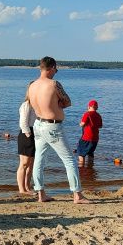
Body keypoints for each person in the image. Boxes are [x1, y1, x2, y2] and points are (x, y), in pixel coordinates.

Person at [27, 56, 90, 204]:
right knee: (69, 160)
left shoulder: (32, 85)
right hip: (52, 126)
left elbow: (32, 104)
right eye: (56, 69)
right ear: (51, 68)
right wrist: (57, 104)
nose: (56, 72)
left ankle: (40, 193)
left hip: (38, 124)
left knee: (39, 160)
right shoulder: (54, 84)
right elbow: (68, 102)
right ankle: (77, 195)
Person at [16, 81, 36, 195]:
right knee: (24, 163)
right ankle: (21, 189)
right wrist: (29, 135)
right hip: (26, 134)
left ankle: (28, 187)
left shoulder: (37, 104)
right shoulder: (26, 105)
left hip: (35, 133)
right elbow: (23, 123)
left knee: (31, 164)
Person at [77, 100, 103, 167]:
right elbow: (100, 126)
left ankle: (81, 168)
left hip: (87, 137)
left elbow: (82, 124)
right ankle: (90, 167)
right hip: (95, 138)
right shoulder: (99, 115)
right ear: (96, 107)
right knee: (90, 153)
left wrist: (80, 124)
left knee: (81, 153)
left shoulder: (87, 114)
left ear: (89, 106)